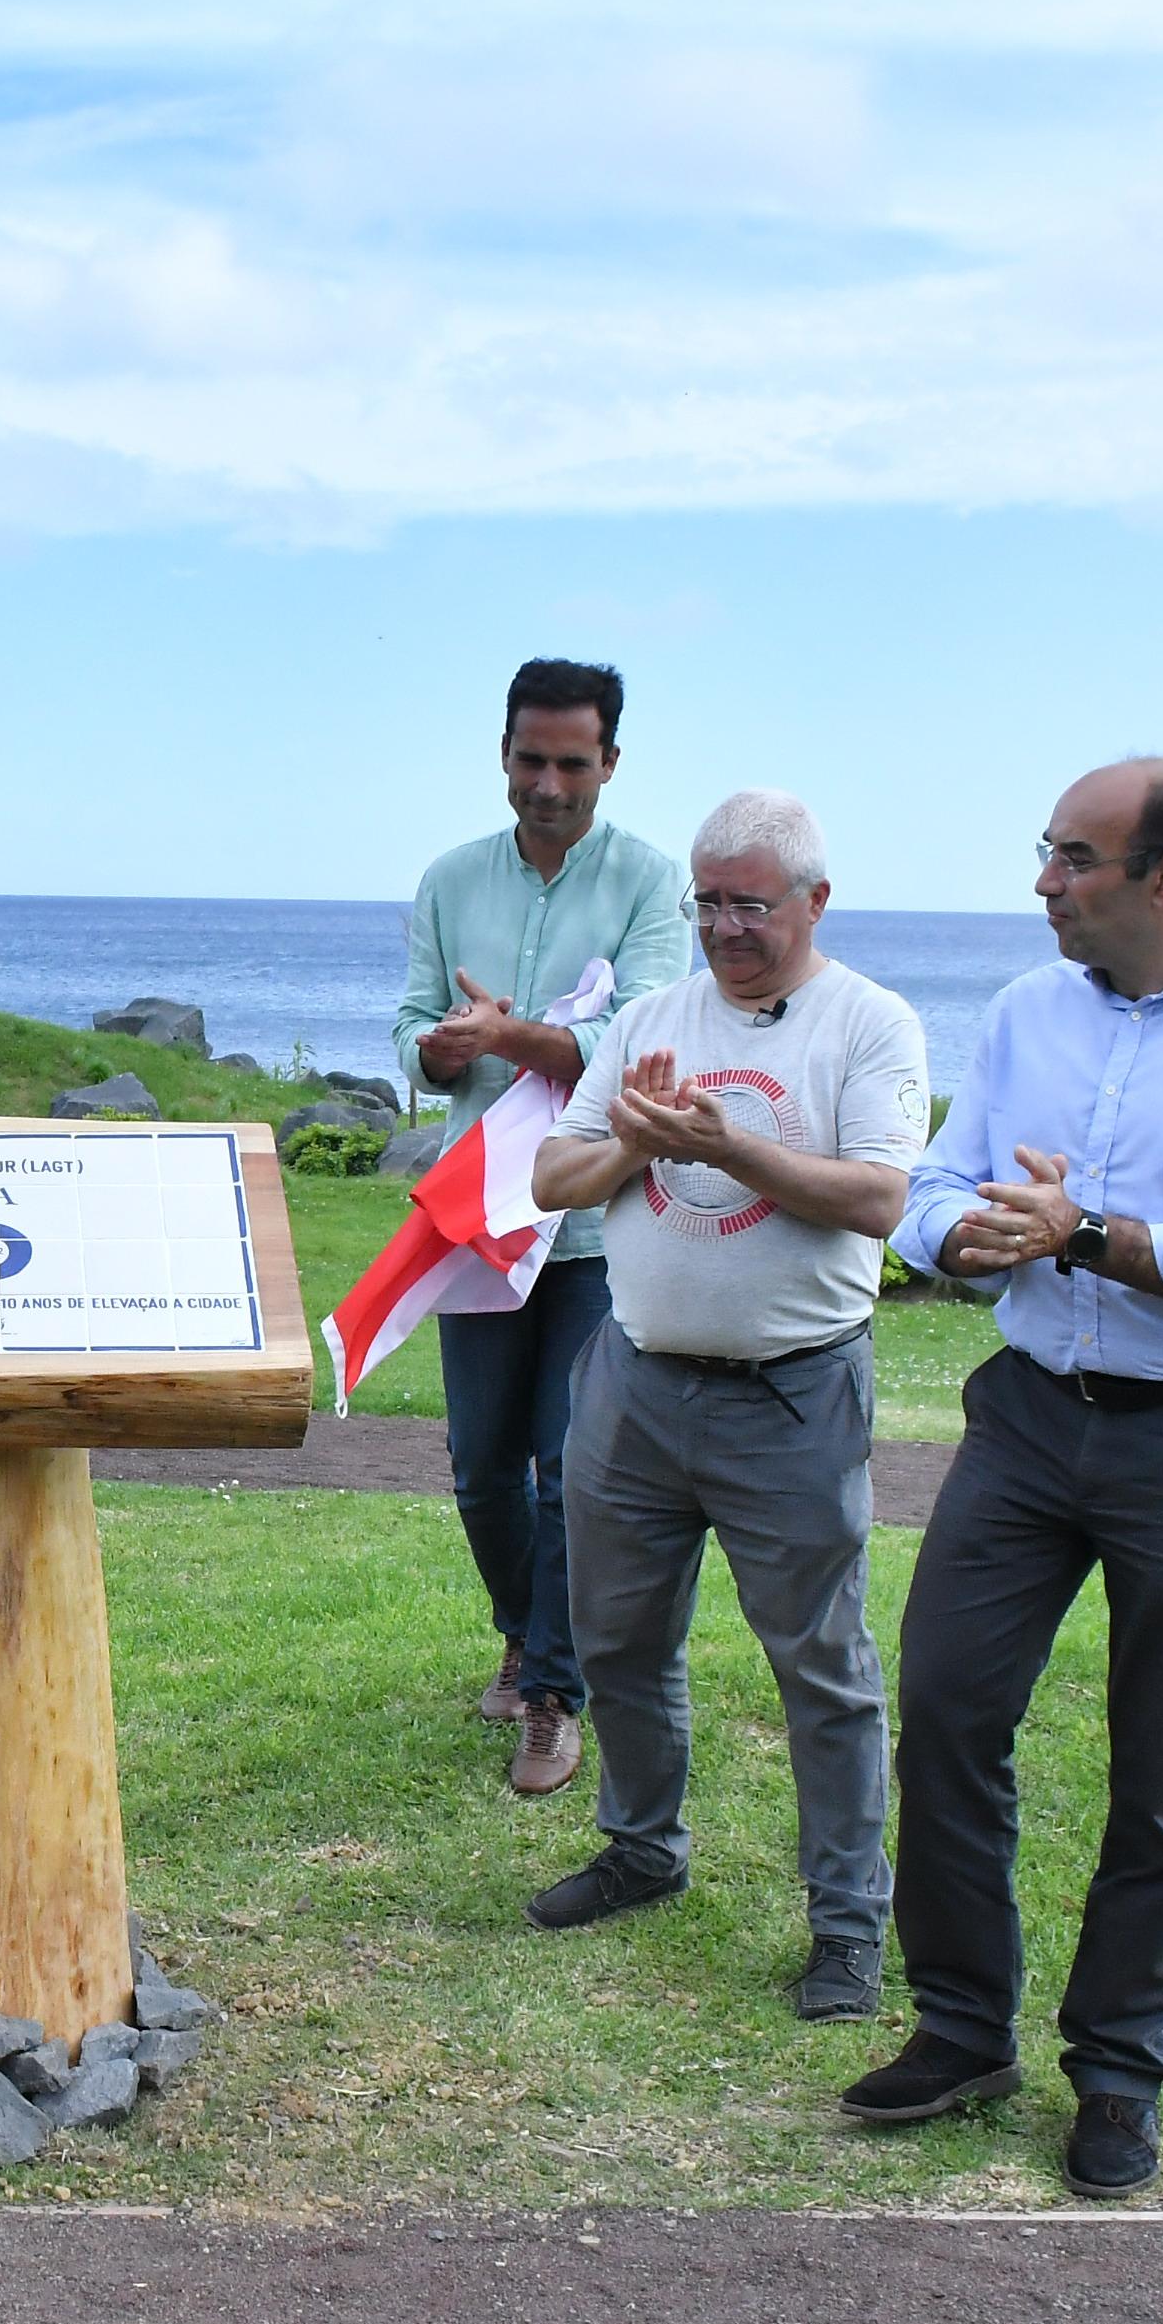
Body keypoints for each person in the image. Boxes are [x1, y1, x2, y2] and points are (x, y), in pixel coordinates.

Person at [840, 759, 1163, 2201]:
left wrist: (1087, 1235)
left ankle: (1120, 2073)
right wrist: (974, 1239)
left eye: (1074, 858)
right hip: (1026, 1418)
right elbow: (932, 1195)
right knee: (943, 1704)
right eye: (1048, 854)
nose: (1046, 883)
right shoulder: (1022, 1014)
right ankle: (960, 2027)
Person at [517, 792, 930, 2021]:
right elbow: (551, 1178)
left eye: (752, 901)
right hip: (637, 1384)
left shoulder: (870, 1025)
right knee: (620, 1641)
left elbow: (876, 1199)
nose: (726, 925)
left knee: (823, 1668)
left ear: (814, 900)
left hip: (791, 1395)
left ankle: (849, 1923)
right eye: (708, 900)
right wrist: (641, 1145)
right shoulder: (653, 1017)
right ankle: (643, 1849)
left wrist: (726, 1145)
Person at [396, 658, 692, 1796]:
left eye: (574, 762)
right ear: (504, 756)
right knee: (480, 1466)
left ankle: (554, 1695)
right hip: (476, 1216)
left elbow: (634, 1042)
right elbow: (417, 1026)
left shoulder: (650, 882)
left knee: (573, 1465)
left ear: (610, 763)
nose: (550, 783)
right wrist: (439, 1049)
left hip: (588, 1223)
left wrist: (510, 1036)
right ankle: (524, 1633)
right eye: (532, 759)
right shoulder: (449, 878)